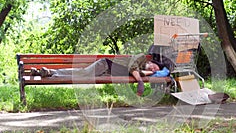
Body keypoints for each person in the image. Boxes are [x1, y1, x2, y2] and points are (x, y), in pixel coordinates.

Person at [30, 53, 167, 96]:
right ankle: (49, 72)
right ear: (151, 61)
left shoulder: (142, 70)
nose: (154, 69)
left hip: (104, 72)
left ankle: (45, 73)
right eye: (154, 66)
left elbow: (139, 72)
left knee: (80, 74)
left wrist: (149, 73)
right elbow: (132, 66)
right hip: (104, 65)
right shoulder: (142, 58)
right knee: (82, 74)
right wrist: (141, 82)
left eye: (155, 70)